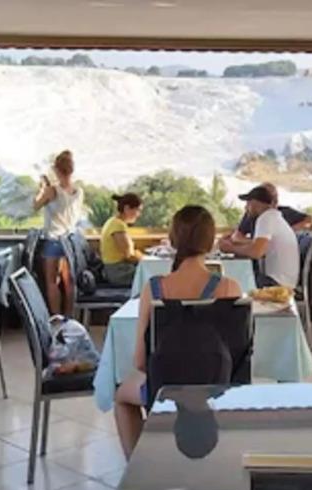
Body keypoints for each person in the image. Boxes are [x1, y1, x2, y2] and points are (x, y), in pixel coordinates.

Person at [114, 205, 242, 457]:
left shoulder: (153, 289)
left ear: (173, 240)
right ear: (210, 242)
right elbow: (239, 354)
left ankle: (138, 465)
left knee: (121, 397)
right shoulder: (230, 287)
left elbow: (140, 362)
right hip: (216, 386)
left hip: (164, 388)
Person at [218, 185, 300, 288]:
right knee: (235, 276)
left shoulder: (266, 218)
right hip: (283, 282)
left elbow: (256, 252)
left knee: (229, 280)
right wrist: (234, 245)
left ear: (255, 202)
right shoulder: (274, 217)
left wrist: (230, 248)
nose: (246, 208)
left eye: (248, 203)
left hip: (275, 283)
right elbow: (257, 245)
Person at [33, 150, 83, 316]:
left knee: (52, 282)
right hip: (70, 240)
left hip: (53, 239)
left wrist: (42, 189)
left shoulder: (52, 191)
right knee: (69, 281)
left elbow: (35, 206)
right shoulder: (78, 191)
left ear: (56, 169)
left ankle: (56, 318)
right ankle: (69, 316)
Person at [231, 182, 312, 239]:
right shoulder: (252, 214)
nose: (246, 207)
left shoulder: (279, 214)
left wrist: (291, 230)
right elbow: (237, 236)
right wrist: (254, 243)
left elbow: (309, 219)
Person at [99, 192, 144, 286]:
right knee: (153, 275)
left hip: (117, 269)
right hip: (118, 271)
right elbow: (128, 255)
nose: (139, 214)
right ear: (127, 208)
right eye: (138, 210)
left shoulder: (113, 222)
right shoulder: (118, 226)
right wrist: (147, 260)